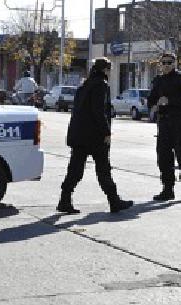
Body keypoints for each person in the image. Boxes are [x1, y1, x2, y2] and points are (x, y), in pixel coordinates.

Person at [58, 57, 134, 214]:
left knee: (75, 170)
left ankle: (64, 199)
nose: (110, 72)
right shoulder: (101, 85)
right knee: (103, 169)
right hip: (94, 136)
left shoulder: (84, 85)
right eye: (109, 69)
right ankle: (114, 201)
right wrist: (106, 132)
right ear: (105, 70)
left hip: (79, 134)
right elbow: (99, 111)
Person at [146, 52, 181, 202]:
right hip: (164, 123)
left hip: (179, 121)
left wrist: (169, 101)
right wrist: (154, 105)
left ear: (174, 64)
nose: (166, 65)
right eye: (164, 63)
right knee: (164, 157)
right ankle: (168, 189)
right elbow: (151, 100)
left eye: (169, 62)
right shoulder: (158, 81)